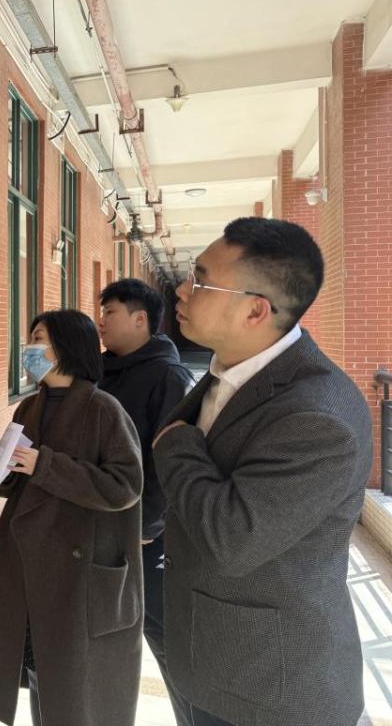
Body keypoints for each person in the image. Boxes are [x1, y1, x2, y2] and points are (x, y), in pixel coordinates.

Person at [153, 218, 372, 726]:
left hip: (269, 689)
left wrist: (176, 445)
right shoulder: (231, 369)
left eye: (201, 280)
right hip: (205, 660)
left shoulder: (320, 415)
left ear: (256, 310)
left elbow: (233, 540)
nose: (182, 290)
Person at [0, 309, 143, 726]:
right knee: (36, 672)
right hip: (27, 566)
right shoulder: (29, 407)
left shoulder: (104, 409)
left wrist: (43, 464)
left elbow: (125, 485)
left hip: (77, 573)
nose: (28, 348)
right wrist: (4, 470)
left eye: (38, 338)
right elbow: (26, 482)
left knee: (72, 690)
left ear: (66, 346)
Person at [98, 279, 195, 725]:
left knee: (165, 639)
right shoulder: (101, 372)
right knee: (106, 643)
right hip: (99, 533)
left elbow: (169, 464)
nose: (102, 322)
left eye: (110, 312)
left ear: (140, 320)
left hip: (144, 540)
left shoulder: (169, 378)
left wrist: (145, 527)